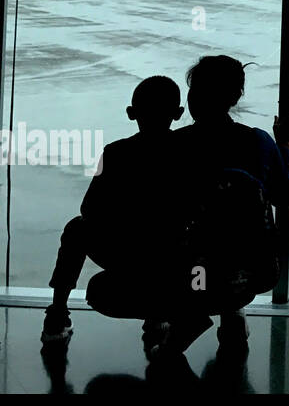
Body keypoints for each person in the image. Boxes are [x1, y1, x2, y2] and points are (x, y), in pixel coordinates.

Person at [154, 55, 289, 359]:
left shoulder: (173, 146)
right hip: (253, 271)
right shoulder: (258, 143)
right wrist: (284, 145)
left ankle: (187, 325)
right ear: (235, 97)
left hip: (192, 274)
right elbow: (285, 196)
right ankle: (231, 310)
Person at [41, 76, 185, 349]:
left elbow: (89, 208)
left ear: (131, 114)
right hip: (169, 256)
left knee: (76, 228)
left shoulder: (115, 152)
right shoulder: (187, 152)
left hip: (124, 252)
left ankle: (57, 312)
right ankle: (160, 314)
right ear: (178, 114)